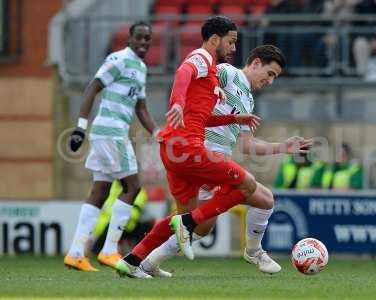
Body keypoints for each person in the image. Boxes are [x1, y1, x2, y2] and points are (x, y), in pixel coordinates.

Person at [115, 16, 309, 278]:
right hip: (199, 153)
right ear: (255, 63)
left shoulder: (247, 100)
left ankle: (140, 260)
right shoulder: (227, 72)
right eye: (270, 73)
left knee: (198, 225)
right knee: (259, 196)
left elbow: (248, 146)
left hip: (201, 155)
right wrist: (179, 103)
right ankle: (254, 252)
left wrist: (283, 147)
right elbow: (190, 74)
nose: (270, 81)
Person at [64, 21, 159, 272]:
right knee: (133, 185)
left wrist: (158, 132)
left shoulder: (140, 68)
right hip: (110, 132)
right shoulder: (118, 59)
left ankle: (75, 253)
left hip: (114, 133)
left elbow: (141, 109)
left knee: (100, 191)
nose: (143, 42)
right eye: (139, 37)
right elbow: (92, 88)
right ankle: (109, 251)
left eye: (147, 39)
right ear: (129, 39)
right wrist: (80, 128)